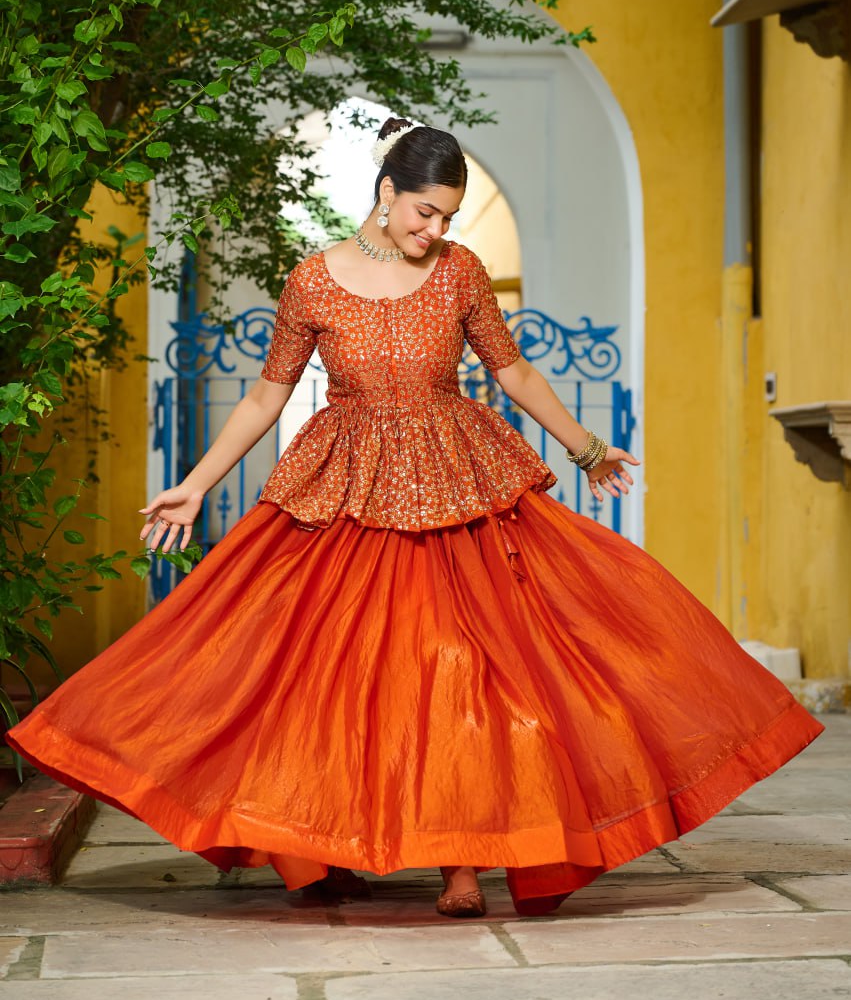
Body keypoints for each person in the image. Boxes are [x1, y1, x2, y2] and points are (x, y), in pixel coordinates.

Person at [5, 117, 823, 919]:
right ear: (386, 191)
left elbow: (514, 373)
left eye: (447, 217)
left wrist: (585, 449)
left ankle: (463, 863)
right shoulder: (312, 280)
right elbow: (265, 395)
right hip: (345, 483)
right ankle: (325, 845)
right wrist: (194, 482)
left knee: (462, 666)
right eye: (423, 211)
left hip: (455, 479)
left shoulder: (462, 271)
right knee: (327, 673)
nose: (434, 230)